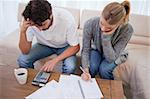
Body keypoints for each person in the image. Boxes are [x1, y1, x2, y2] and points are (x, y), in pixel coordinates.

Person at [17, 0, 80, 74]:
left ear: (50, 15)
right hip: (44, 45)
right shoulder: (30, 21)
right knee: (22, 59)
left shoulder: (66, 18)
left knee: (70, 67)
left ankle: (63, 84)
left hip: (64, 46)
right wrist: (22, 32)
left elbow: (76, 47)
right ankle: (33, 81)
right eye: (36, 26)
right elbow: (25, 51)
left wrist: (54, 60)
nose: (40, 29)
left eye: (43, 25)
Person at [81, 0, 133, 80]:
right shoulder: (90, 23)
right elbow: (85, 50)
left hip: (115, 54)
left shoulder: (127, 30)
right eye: (101, 23)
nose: (103, 29)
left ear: (119, 24)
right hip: (97, 49)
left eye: (109, 28)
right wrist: (86, 71)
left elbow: (111, 58)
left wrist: (106, 36)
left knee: (104, 70)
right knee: (92, 67)